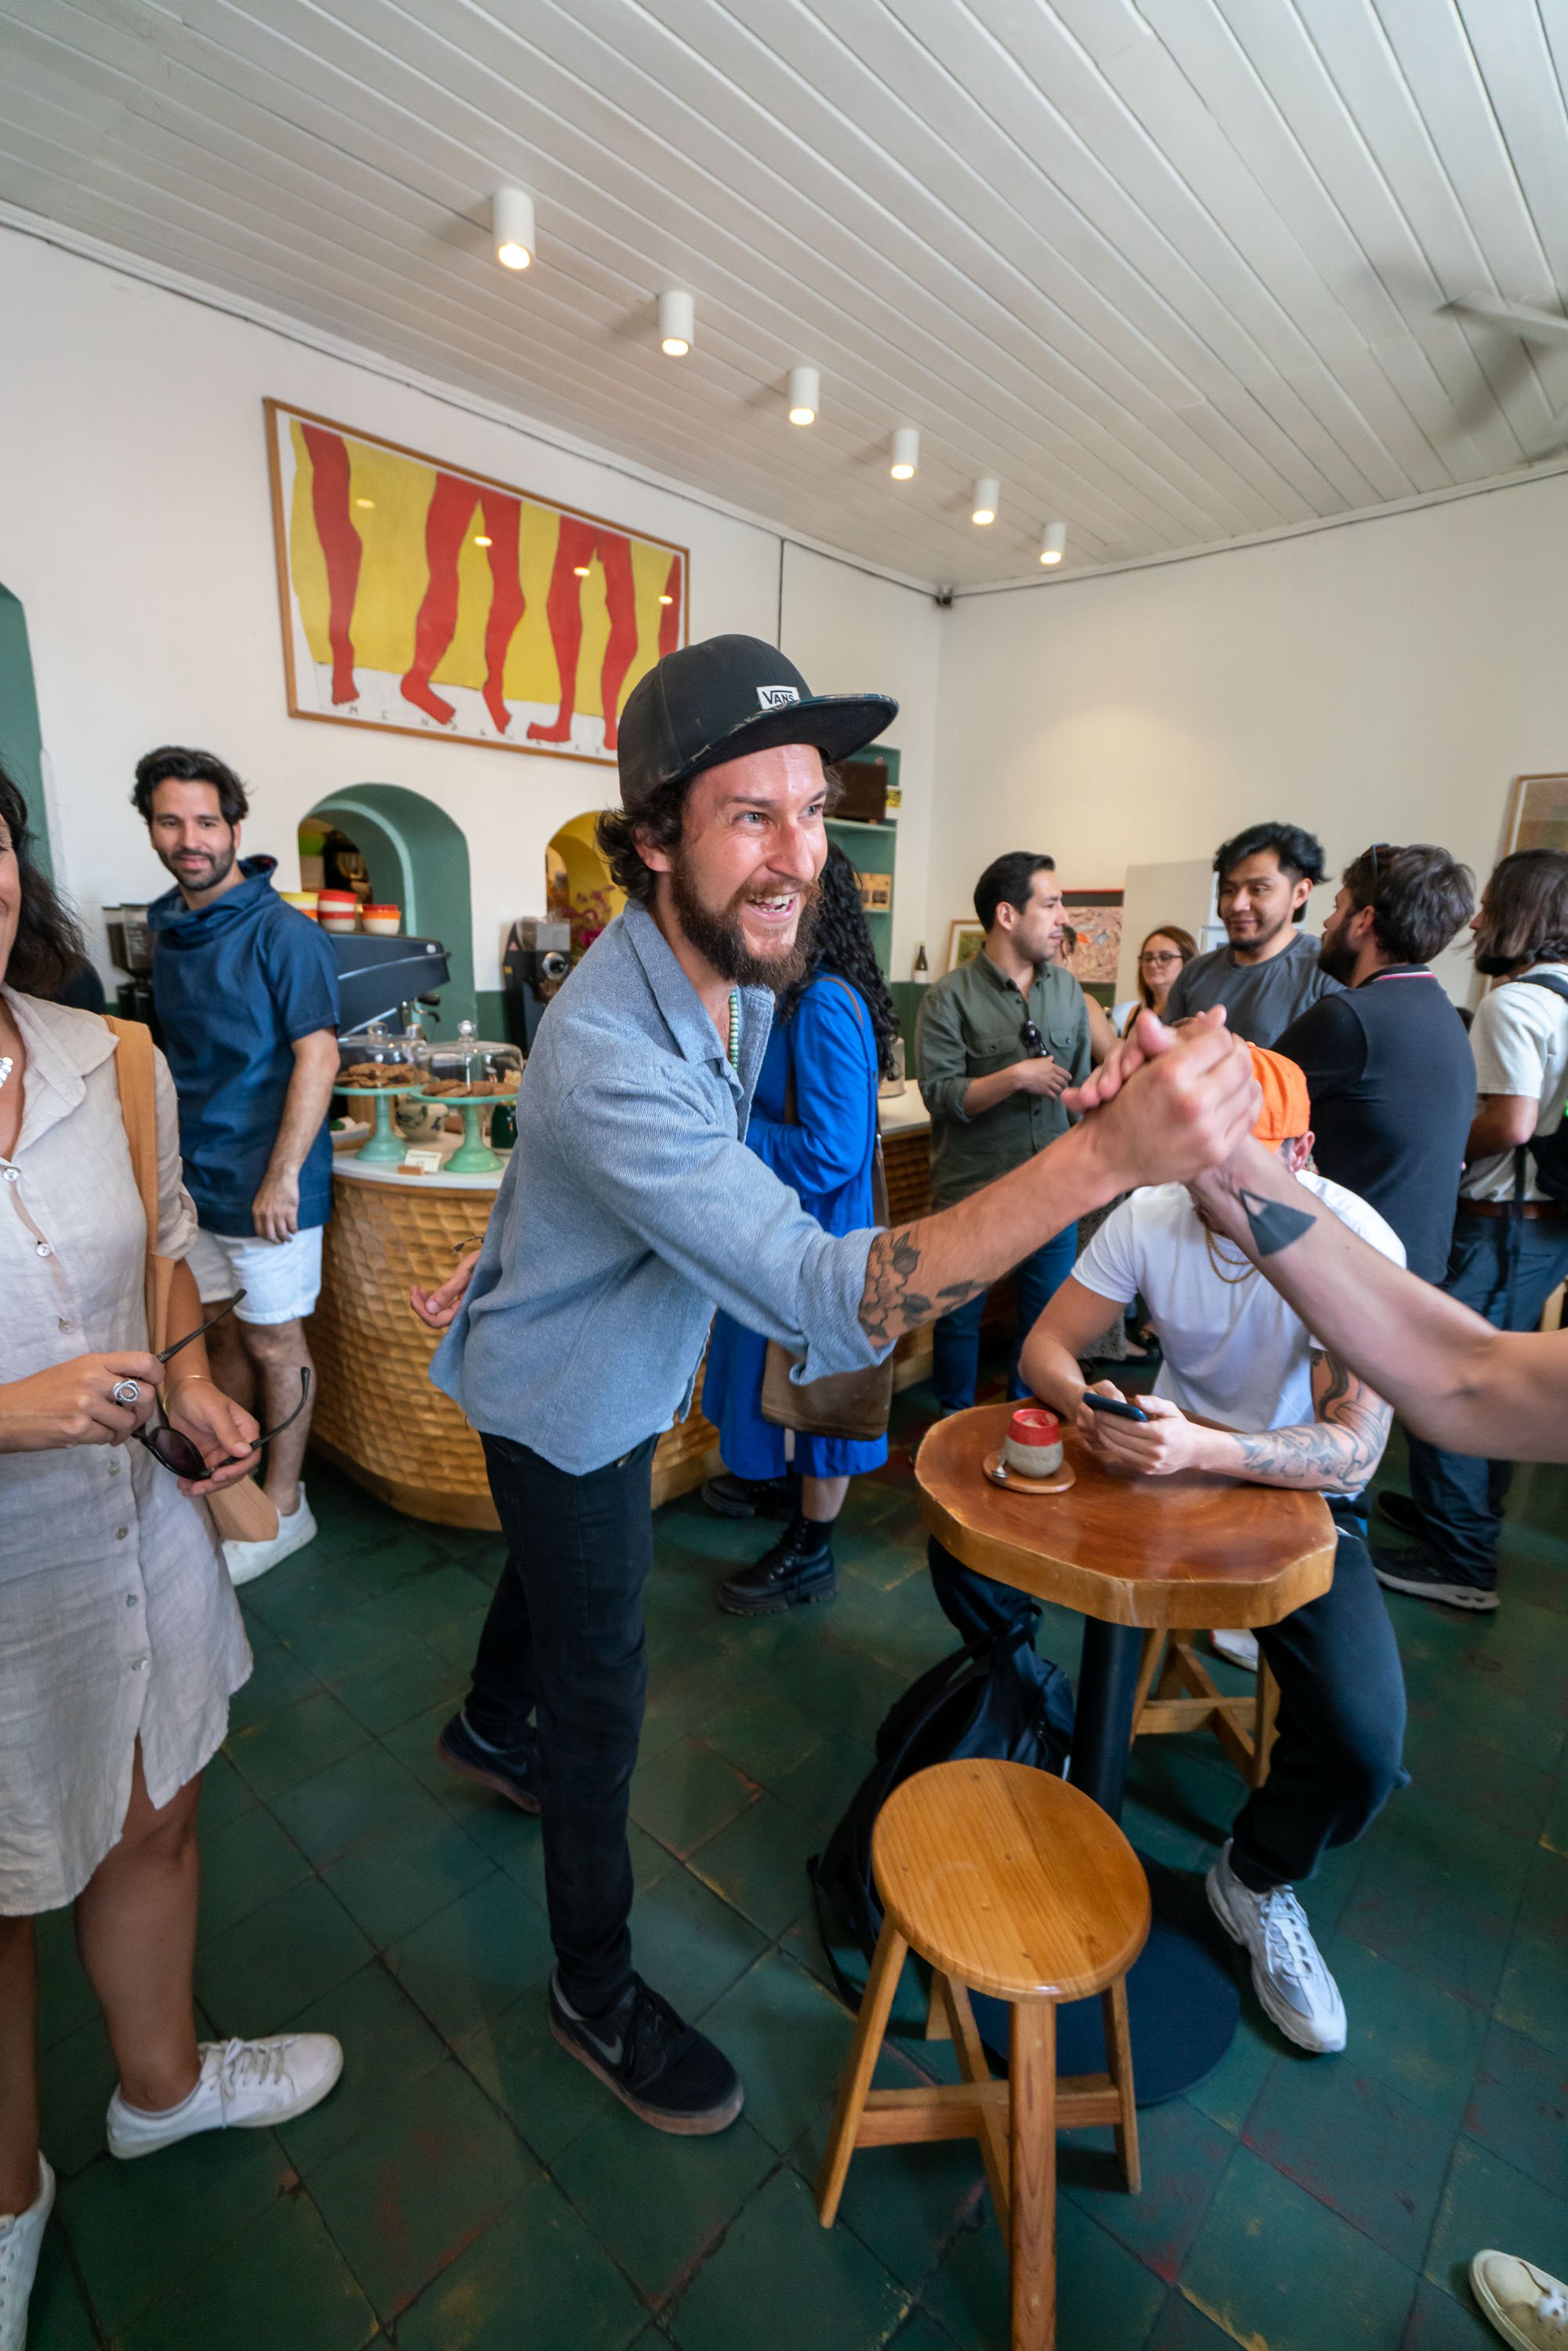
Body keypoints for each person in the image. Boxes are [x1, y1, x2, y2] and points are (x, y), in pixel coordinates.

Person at [407, 633, 1258, 2143]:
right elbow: (815, 1287)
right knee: (602, 1693)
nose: (800, 854)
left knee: (551, 1582)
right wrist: (1100, 1159)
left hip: (573, 1357)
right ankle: (591, 1986)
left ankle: (485, 1724)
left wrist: (519, 1242)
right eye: (753, 815)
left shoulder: (731, 981)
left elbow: (610, 1159)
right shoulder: (609, 1038)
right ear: (653, 837)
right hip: (569, 1401)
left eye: (812, 810)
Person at [0, 766, 342, 2351]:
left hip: (136, 1537)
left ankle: (161, 2086)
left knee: (156, 1809)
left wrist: (191, 1380)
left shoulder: (105, 1055)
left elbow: (167, 1247)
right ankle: (8, 2204)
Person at [947, 1045, 1403, 2056]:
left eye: (1242, 1162)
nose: (1215, 1184)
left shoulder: (1352, 1241)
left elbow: (1354, 1449)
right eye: (1200, 1159)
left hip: (1299, 1505)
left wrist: (1209, 1447)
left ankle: (1254, 1877)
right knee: (964, 1546)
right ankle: (1045, 1720)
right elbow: (1044, 1348)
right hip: (1164, 1475)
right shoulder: (1154, 1213)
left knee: (1364, 1743)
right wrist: (1097, 1408)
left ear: (1300, 1154)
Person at [134, 748, 341, 1585]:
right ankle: (236, 1490)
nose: (190, 839)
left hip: (269, 1188)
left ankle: (287, 1506)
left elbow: (318, 1055)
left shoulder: (282, 932)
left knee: (275, 1341)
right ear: (152, 829)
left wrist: (283, 1174)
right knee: (215, 1335)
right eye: (171, 821)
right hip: (198, 1181)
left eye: (206, 822)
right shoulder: (168, 931)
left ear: (234, 828)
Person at [1363, 848, 1568, 1611]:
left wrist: (1443, 1151)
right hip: (1546, 1227)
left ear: (1521, 914)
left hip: (1500, 1223)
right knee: (1504, 1383)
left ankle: (1460, 1558)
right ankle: (1460, 1521)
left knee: (1449, 1380)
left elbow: (1511, 1123)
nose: (1476, 922)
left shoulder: (1513, 1005)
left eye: (1489, 906)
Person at [701, 846, 897, 1614]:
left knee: (823, 1402)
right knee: (781, 1384)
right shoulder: (790, 993)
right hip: (789, 1229)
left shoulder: (821, 1003)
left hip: (822, 1240)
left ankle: (810, 1552)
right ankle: (783, 1490)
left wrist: (727, 1132)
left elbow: (831, 1150)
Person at [914, 852, 1091, 1413]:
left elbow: (1078, 1090)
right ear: (1007, 915)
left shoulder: (1068, 992)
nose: (1063, 917)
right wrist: (1015, 1077)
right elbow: (939, 1095)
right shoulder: (948, 996)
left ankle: (1023, 1430)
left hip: (1055, 1190)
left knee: (1044, 1325)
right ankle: (950, 1424)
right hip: (975, 1192)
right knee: (956, 1320)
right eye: (1051, 904)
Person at [1274, 843, 1476, 1282]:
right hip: (1417, 1275)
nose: (1327, 922)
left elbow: (1246, 1099)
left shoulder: (1349, 1018)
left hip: (1357, 1275)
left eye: (1337, 907)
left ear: (1363, 920)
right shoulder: (1445, 1014)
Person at [1164, 821, 1340, 1044]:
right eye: (1229, 890)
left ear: (1300, 893)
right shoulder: (1194, 973)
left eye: (1259, 889)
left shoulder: (1329, 971)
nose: (1237, 904)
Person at [1126, 924, 1197, 1031]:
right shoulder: (1136, 1012)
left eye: (1165, 957)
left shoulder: (1194, 1015)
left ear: (1188, 963)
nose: (1153, 965)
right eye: (1148, 958)